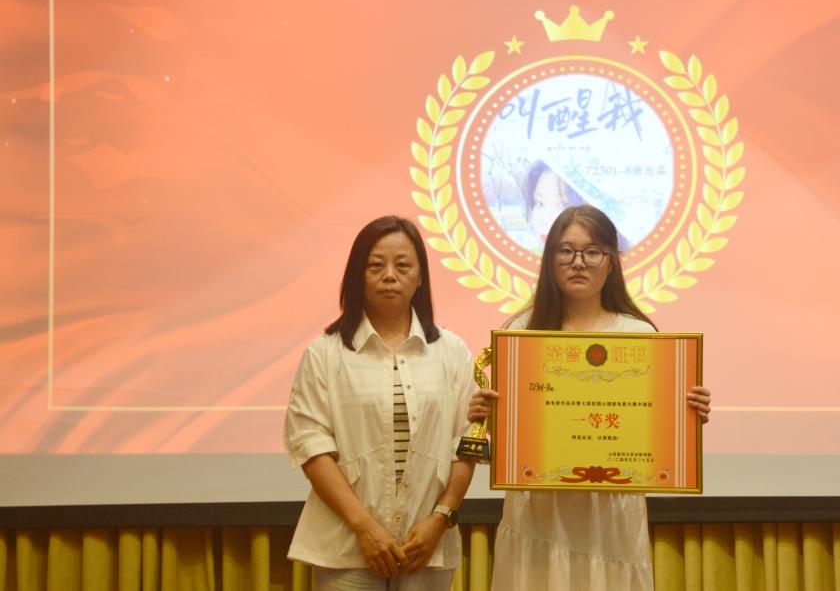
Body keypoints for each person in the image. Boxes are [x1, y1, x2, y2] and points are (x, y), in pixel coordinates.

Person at [467, 205, 712, 591]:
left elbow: (656, 431)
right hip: (539, 513)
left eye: (593, 251)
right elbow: (512, 438)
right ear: (550, 260)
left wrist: (684, 416)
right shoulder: (521, 332)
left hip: (610, 516)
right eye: (566, 251)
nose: (578, 262)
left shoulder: (639, 335)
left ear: (611, 262)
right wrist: (487, 417)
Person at [284, 216, 477, 590]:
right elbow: (311, 446)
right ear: (357, 275)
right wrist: (365, 528)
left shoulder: (452, 352)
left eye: (402, 266)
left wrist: (440, 518)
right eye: (376, 266)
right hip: (345, 545)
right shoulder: (324, 353)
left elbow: (466, 445)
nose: (390, 275)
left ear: (420, 278)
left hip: (427, 546)